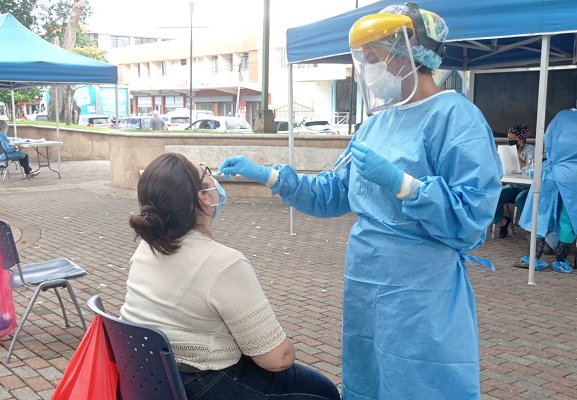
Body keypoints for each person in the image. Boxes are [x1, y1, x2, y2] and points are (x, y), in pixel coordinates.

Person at [218, 4, 502, 399]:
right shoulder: (374, 125)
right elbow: (332, 194)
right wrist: (268, 174)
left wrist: (404, 185)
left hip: (420, 290)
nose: (366, 70)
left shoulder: (457, 118)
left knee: (419, 381)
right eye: (363, 60)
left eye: (373, 59)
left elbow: (472, 218)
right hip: (365, 284)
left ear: (408, 53)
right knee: (367, 378)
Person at [120, 152, 340, 400]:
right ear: (203, 197)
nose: (214, 178)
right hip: (204, 382)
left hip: (149, 377)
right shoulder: (224, 263)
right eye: (207, 172)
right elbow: (277, 359)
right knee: (326, 393)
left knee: (319, 387)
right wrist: (285, 345)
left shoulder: (147, 247)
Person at [514, 108, 577, 273]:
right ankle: (561, 261)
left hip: (550, 172)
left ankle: (533, 258)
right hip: (573, 176)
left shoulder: (561, 116)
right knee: (568, 219)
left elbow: (547, 138)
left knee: (540, 214)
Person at [494, 124, 535, 238]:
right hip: (513, 185)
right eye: (509, 138)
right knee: (495, 195)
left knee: (521, 199)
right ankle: (502, 221)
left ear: (521, 139)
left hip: (527, 187)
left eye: (513, 139)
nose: (510, 141)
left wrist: (515, 155)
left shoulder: (531, 150)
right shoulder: (507, 150)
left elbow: (530, 167)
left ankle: (534, 229)